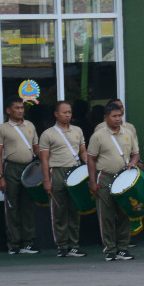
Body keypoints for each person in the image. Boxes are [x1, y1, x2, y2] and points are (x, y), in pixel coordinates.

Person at [87, 102, 139, 261]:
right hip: (106, 176)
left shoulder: (128, 133)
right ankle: (110, 248)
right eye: (114, 116)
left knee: (124, 212)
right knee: (106, 214)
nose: (118, 119)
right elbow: (91, 159)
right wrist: (92, 181)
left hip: (124, 176)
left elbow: (135, 153)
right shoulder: (98, 135)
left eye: (120, 116)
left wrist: (133, 162)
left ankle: (123, 248)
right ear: (106, 118)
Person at [38, 100, 88, 257]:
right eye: (64, 112)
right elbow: (44, 159)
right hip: (57, 172)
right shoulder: (48, 134)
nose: (68, 115)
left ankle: (74, 245)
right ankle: (62, 246)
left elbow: (83, 153)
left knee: (74, 209)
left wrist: (90, 169)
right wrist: (46, 180)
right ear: (56, 114)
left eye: (70, 112)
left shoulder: (78, 130)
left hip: (75, 172)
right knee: (58, 210)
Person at [0, 95, 40, 256]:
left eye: (22, 108)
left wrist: (44, 164)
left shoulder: (31, 126)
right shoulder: (2, 129)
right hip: (11, 168)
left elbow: (36, 149)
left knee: (27, 205)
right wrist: (0, 176)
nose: (21, 111)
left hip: (29, 168)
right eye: (17, 108)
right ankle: (14, 243)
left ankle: (28, 243)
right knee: (12, 205)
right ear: (8, 110)